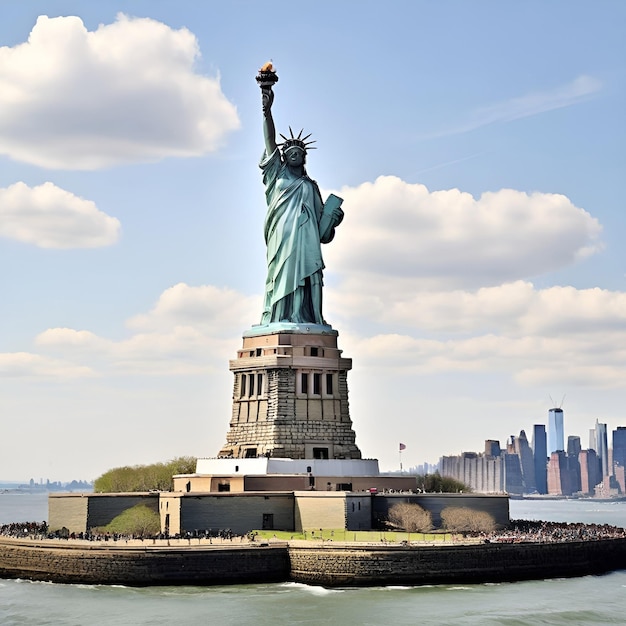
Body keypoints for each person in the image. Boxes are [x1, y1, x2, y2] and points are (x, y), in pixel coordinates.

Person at [259, 81, 343, 325]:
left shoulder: (311, 186)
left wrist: (333, 218)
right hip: (283, 235)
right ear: (284, 157)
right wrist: (267, 111)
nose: (296, 155)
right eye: (291, 152)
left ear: (304, 158)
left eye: (300, 153)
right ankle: (282, 316)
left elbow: (322, 232)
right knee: (283, 273)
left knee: (310, 275)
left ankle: (306, 317)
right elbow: (269, 140)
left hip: (306, 237)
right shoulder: (277, 174)